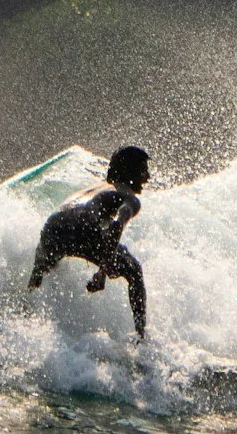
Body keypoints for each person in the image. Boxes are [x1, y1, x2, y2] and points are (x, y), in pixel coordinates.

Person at [27, 145, 151, 339]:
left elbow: (68, 213)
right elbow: (117, 225)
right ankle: (141, 337)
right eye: (143, 170)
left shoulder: (96, 187)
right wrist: (102, 272)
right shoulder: (129, 197)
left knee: (39, 276)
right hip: (82, 228)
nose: (147, 177)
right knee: (134, 269)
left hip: (52, 227)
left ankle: (25, 312)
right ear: (130, 171)